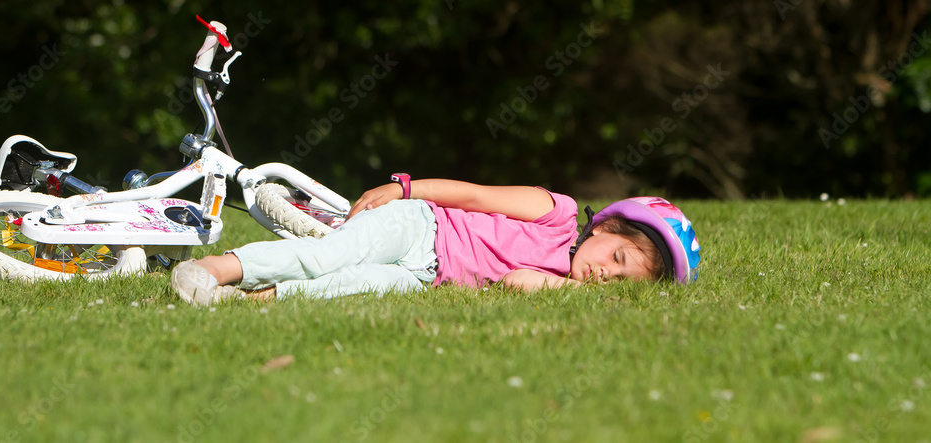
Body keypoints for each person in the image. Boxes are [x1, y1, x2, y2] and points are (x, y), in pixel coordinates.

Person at [170, 174, 701, 306]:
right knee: (327, 254)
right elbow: (472, 197)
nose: (606, 271)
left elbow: (516, 283)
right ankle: (219, 268)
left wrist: (573, 291)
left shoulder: (560, 281)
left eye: (619, 279)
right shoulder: (556, 213)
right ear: (606, 227)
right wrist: (403, 187)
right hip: (421, 225)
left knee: (348, 286)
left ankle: (249, 301)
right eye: (618, 255)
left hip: (424, 274)